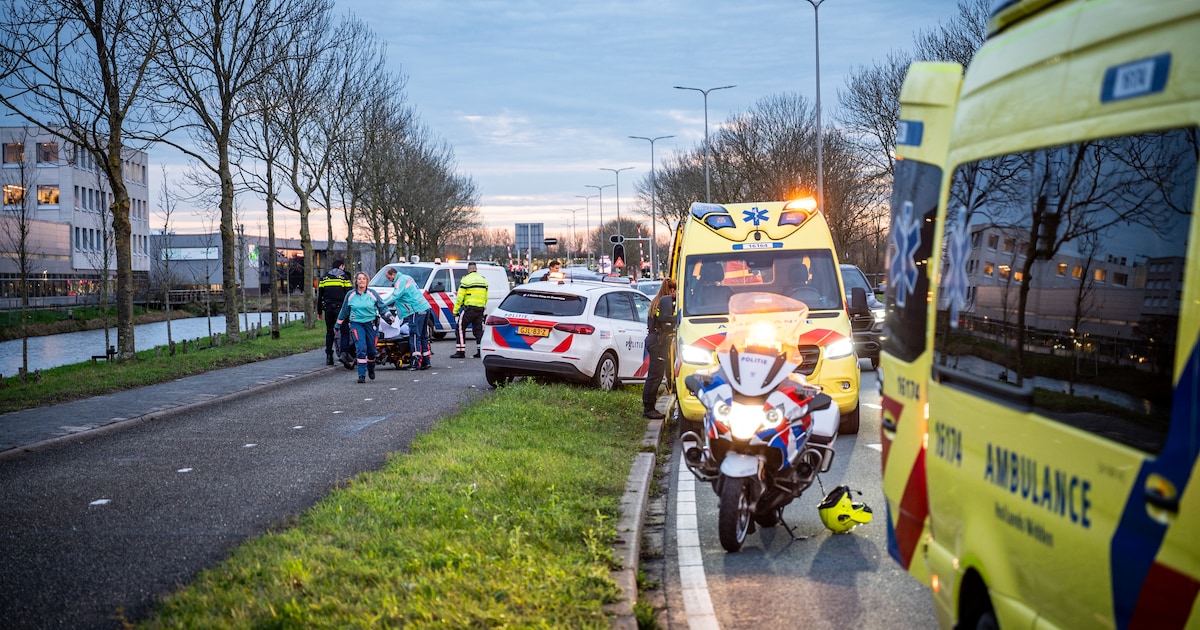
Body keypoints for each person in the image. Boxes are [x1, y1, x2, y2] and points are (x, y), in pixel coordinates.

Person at [335, 271, 394, 384]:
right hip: (356, 324)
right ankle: (361, 375)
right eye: (359, 279)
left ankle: (371, 367)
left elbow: (382, 307)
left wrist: (389, 316)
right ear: (356, 282)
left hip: (370, 324)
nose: (361, 281)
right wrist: (337, 325)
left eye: (363, 279)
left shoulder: (373, 294)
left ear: (367, 281)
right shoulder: (350, 295)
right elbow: (344, 311)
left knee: (371, 350)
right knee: (361, 348)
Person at [385, 266, 434, 370]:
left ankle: (415, 362)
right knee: (423, 335)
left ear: (393, 274)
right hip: (424, 307)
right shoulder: (407, 277)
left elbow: (395, 296)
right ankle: (426, 360)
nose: (389, 280)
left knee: (415, 335)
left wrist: (381, 303)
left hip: (415, 309)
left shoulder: (400, 281)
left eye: (389, 277)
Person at [642, 278, 677, 419]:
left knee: (655, 375)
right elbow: (664, 320)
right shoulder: (663, 303)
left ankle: (650, 406)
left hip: (656, 340)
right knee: (655, 376)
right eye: (674, 291)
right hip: (658, 342)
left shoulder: (657, 302)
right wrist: (677, 319)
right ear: (670, 290)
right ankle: (648, 409)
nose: (675, 294)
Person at [316, 259, 352, 365]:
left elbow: (320, 296)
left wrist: (319, 312)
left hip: (328, 308)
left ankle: (329, 356)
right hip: (341, 308)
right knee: (345, 331)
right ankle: (344, 353)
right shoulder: (344, 277)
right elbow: (350, 296)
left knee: (329, 332)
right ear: (341, 266)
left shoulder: (324, 278)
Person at [451, 262, 488, 358]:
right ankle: (480, 351)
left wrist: (455, 311)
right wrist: (482, 306)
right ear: (476, 269)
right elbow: (486, 296)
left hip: (469, 309)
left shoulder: (466, 280)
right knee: (478, 330)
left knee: (460, 328)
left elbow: (460, 297)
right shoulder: (483, 281)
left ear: (468, 270)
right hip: (480, 308)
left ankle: (460, 351)